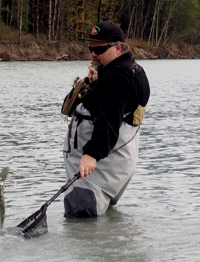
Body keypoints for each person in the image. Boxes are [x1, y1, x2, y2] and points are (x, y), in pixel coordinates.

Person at [62, 21, 150, 218]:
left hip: (96, 170)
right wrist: (97, 82)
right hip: (113, 166)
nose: (93, 54)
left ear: (118, 48)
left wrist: (91, 154)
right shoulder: (129, 70)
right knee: (96, 221)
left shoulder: (117, 78)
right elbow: (116, 107)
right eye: (90, 48)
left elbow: (109, 120)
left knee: (82, 222)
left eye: (100, 49)